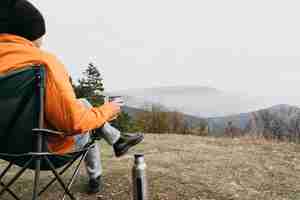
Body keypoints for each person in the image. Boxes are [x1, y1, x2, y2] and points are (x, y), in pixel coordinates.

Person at [0, 0, 144, 194]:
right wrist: (108, 110)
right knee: (87, 117)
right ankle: (97, 173)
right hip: (45, 152)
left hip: (6, 150)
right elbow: (74, 123)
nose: (42, 41)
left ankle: (118, 140)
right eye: (42, 35)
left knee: (82, 104)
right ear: (31, 33)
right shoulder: (42, 62)